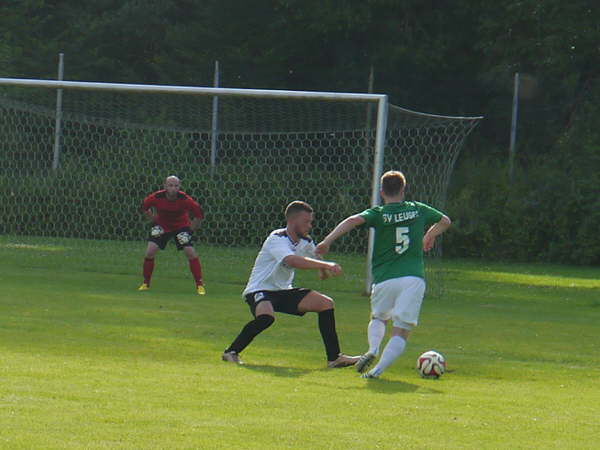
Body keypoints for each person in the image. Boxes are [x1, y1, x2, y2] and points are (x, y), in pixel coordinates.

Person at [316, 170, 451, 378]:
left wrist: (327, 240)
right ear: (403, 190)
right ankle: (376, 371)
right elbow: (445, 221)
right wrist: (429, 235)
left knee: (378, 318)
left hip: (384, 278)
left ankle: (372, 349)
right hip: (412, 278)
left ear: (381, 192)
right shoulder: (417, 209)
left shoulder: (379, 213)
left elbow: (352, 220)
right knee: (401, 330)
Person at [222, 200, 359, 368]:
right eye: (306, 222)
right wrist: (326, 265)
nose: (309, 226)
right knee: (266, 317)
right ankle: (231, 352)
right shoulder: (276, 238)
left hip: (284, 291)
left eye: (310, 222)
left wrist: (322, 270)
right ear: (293, 221)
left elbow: (314, 255)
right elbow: (292, 260)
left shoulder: (305, 242)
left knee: (326, 303)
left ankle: (334, 358)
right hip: (259, 289)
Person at [138, 175, 206, 295]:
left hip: (181, 226)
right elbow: (144, 207)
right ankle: (145, 283)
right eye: (170, 185)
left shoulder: (185, 199)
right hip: (162, 226)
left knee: (190, 252)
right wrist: (153, 220)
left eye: (176, 186)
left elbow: (199, 215)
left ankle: (199, 285)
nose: (173, 188)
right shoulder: (156, 197)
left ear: (179, 187)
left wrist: (190, 231)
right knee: (150, 251)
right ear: (164, 186)